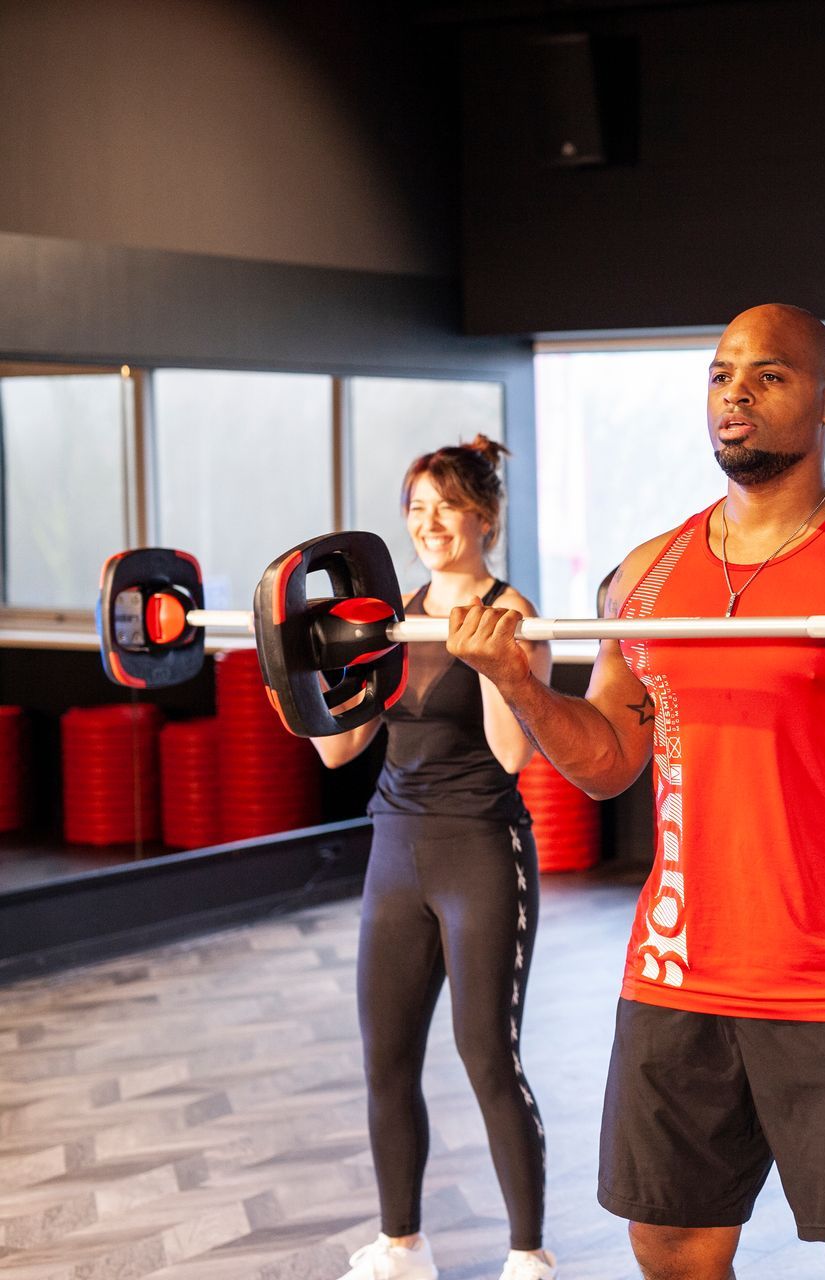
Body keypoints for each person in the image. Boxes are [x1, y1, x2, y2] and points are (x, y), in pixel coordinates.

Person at [446, 304, 825, 1280]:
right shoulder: (646, 575)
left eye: (770, 374)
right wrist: (515, 683)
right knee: (670, 1243)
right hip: (679, 966)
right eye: (721, 375)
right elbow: (606, 762)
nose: (737, 394)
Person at [318, 437, 558, 1280]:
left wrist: (491, 656)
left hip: (480, 849)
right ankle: (401, 1246)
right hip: (394, 849)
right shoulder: (388, 614)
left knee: (488, 1055)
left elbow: (511, 753)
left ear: (483, 518)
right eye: (415, 511)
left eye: (444, 509)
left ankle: (529, 1256)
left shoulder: (513, 610)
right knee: (385, 1057)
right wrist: (309, 672)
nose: (428, 525)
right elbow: (339, 753)